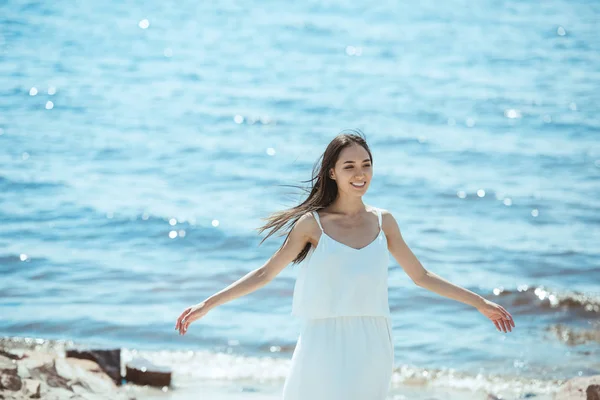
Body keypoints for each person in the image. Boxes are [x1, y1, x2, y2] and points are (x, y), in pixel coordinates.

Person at [175, 130, 515, 399]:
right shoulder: (312, 224)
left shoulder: (385, 222)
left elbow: (421, 275)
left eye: (366, 164)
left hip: (372, 341)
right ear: (333, 173)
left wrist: (480, 303)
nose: (360, 173)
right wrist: (208, 304)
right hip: (323, 340)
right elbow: (266, 273)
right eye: (350, 166)